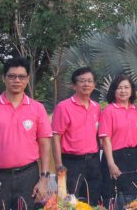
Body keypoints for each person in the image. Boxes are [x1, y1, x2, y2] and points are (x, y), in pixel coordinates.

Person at [0, 57, 52, 210]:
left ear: (27, 79)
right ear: (4, 78)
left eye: (21, 76)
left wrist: (44, 179)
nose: (17, 80)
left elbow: (45, 145)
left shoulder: (37, 109)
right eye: (12, 76)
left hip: (29, 176)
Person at [52, 67, 103, 204]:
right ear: (73, 85)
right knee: (70, 202)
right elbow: (56, 137)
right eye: (82, 81)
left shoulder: (96, 107)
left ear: (94, 85)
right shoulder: (63, 107)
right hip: (72, 162)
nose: (86, 84)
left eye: (89, 81)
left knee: (93, 199)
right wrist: (59, 165)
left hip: (93, 161)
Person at [99, 75, 137, 209]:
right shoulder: (109, 110)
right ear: (114, 91)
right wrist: (111, 164)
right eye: (119, 88)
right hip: (115, 157)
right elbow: (105, 139)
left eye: (126, 87)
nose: (123, 91)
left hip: (135, 157)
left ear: (132, 90)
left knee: (136, 197)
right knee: (115, 198)